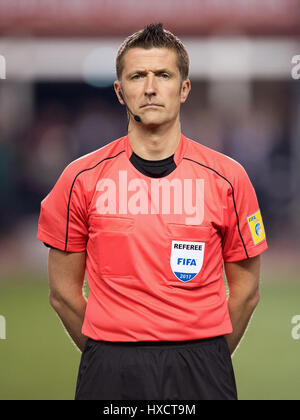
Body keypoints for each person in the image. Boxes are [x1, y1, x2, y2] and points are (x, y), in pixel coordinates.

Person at [37, 23, 268, 400]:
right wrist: (111, 350)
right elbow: (63, 293)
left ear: (184, 88)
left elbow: (246, 293)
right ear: (119, 91)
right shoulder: (79, 179)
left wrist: (204, 356)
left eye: (163, 75)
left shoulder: (228, 178)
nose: (149, 87)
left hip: (203, 363)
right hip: (110, 365)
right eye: (137, 76)